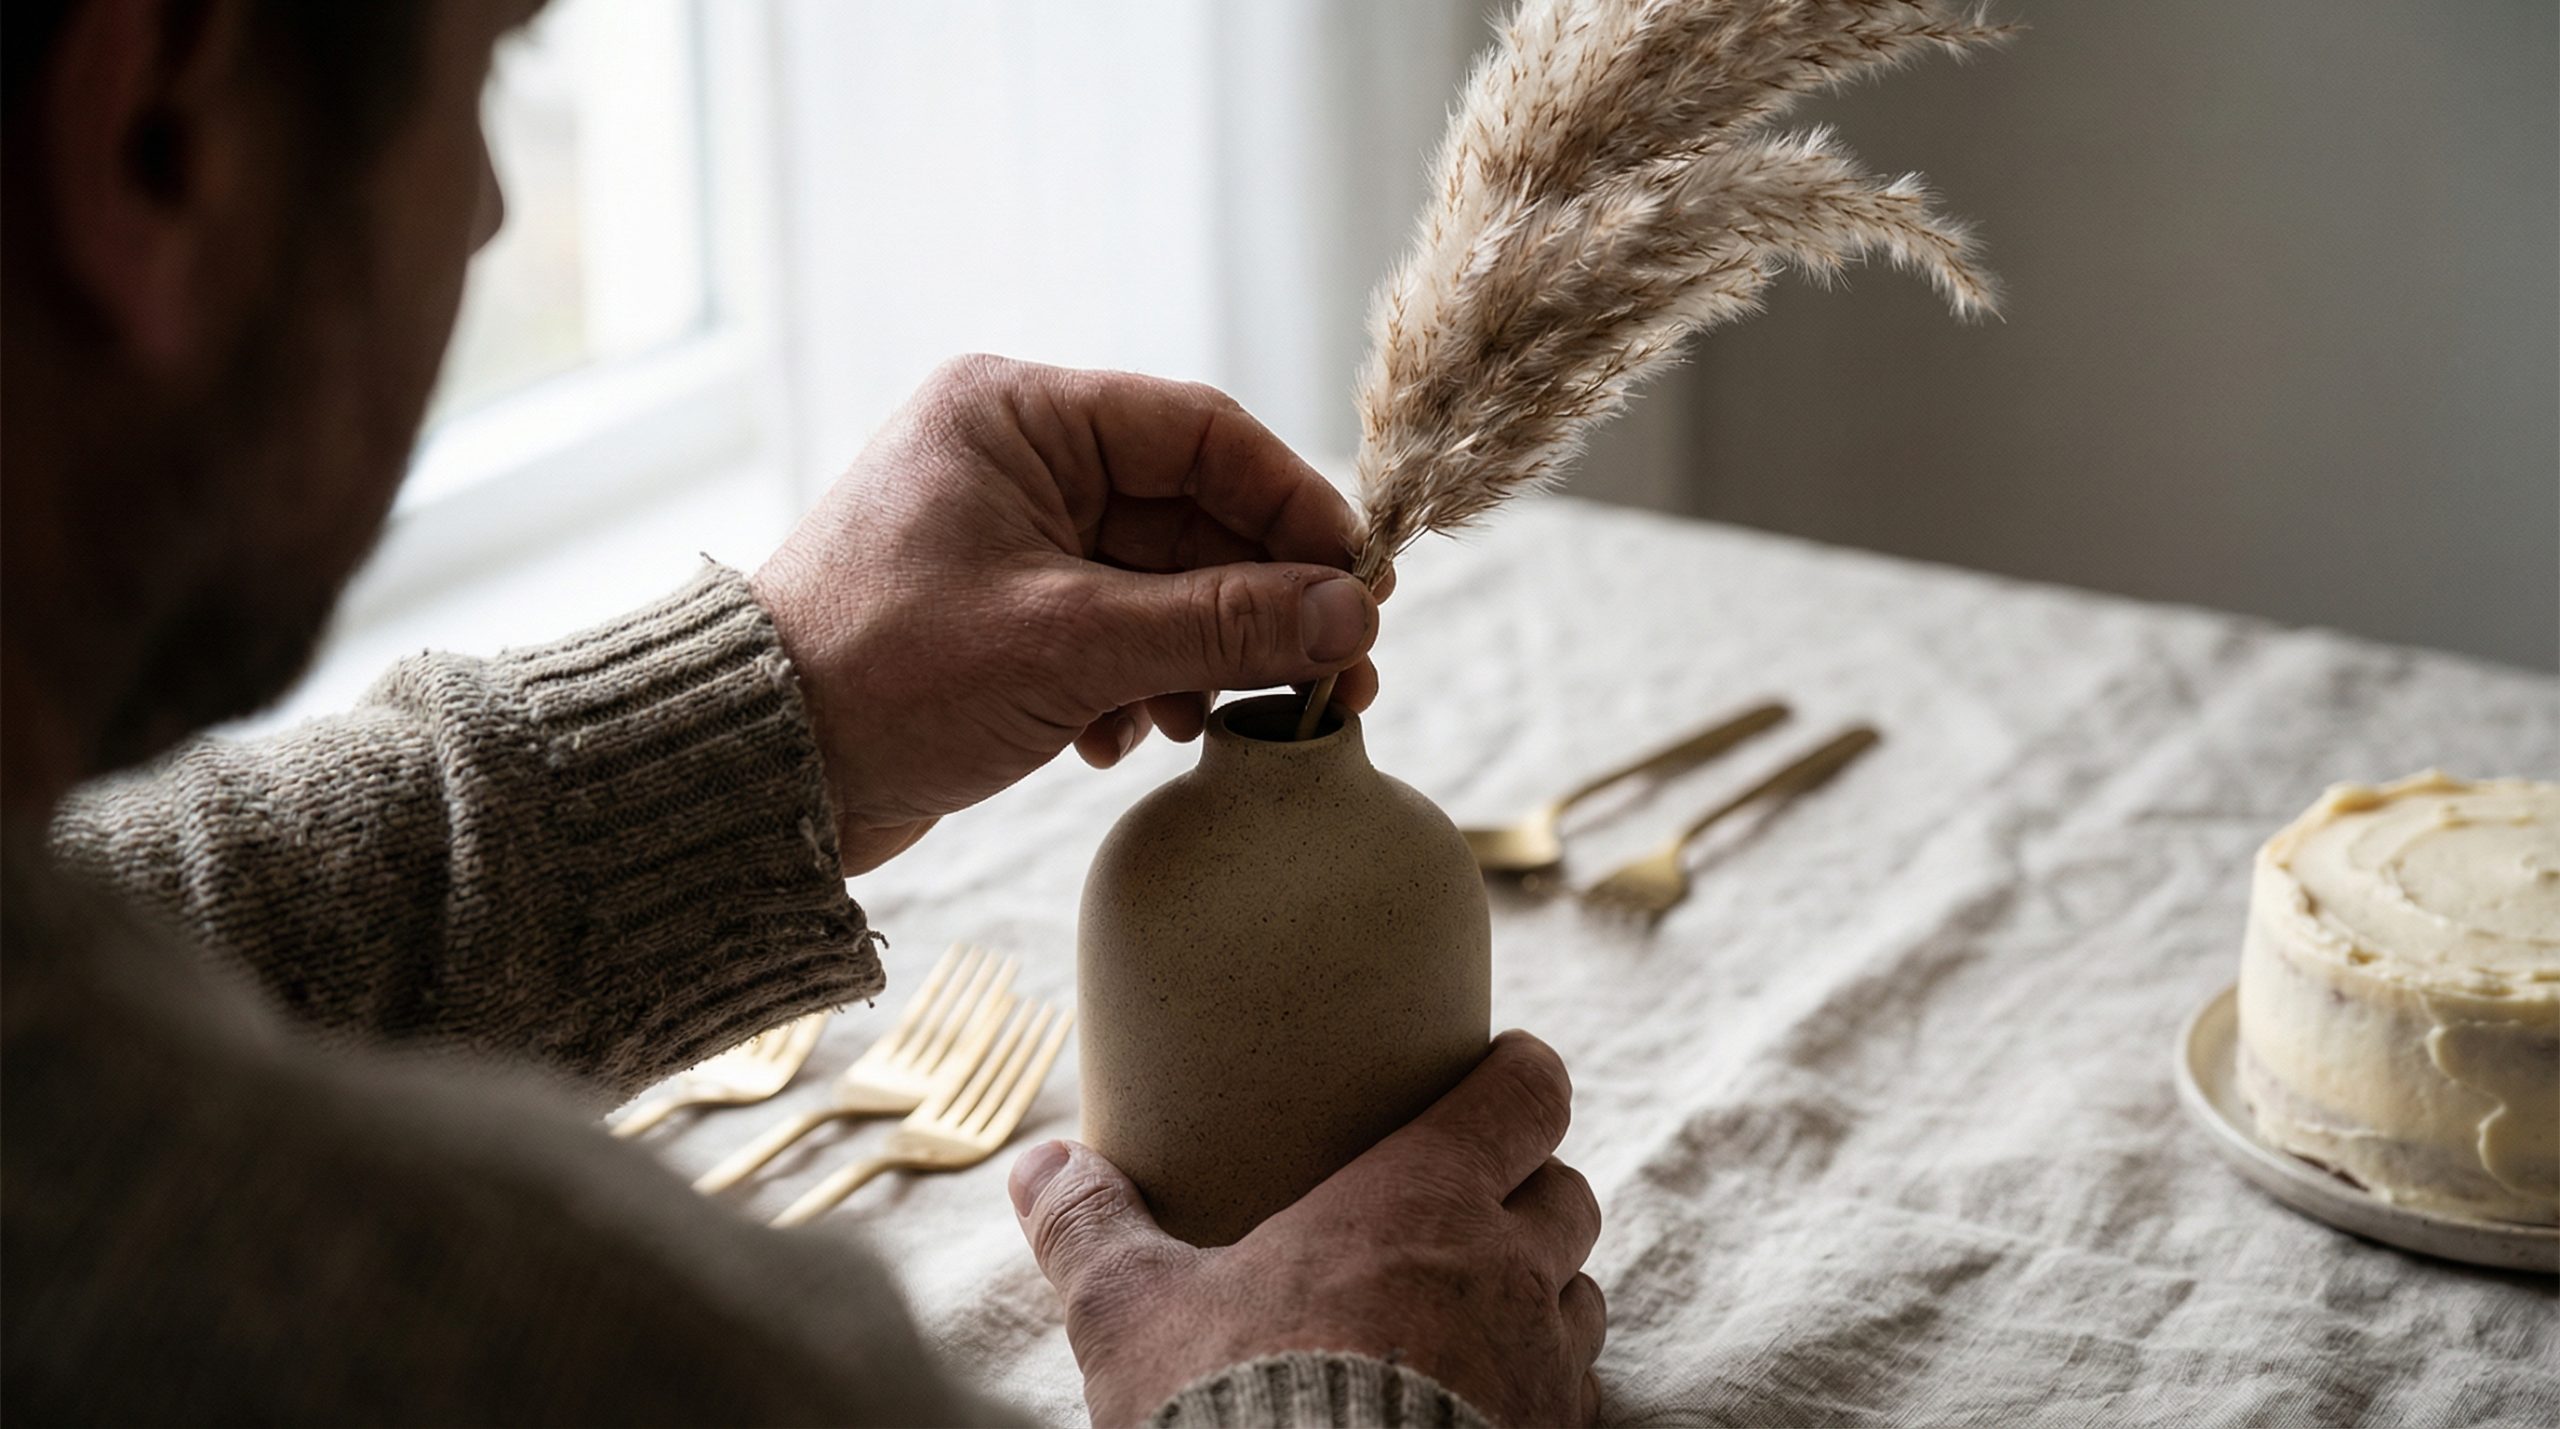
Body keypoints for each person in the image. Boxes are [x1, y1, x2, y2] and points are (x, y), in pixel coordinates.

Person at [0, 2, 1608, 1424]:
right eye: (493, 59)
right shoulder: (542, 1343)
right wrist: (1347, 1401)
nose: (491, 210)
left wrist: (777, 718)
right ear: (153, 127)